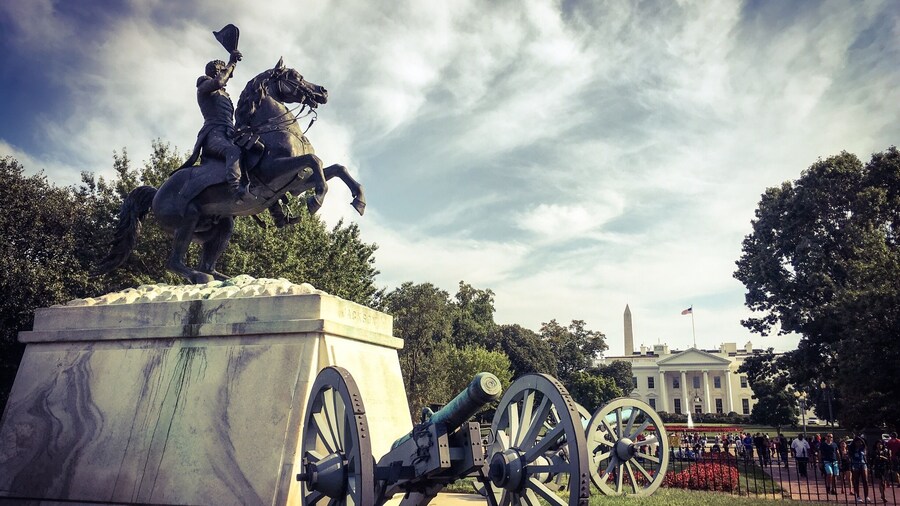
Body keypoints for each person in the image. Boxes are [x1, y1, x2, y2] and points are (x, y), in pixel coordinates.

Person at [183, 49, 250, 203]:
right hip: (214, 135)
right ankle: (235, 189)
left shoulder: (224, 96)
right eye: (222, 69)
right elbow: (219, 81)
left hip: (229, 134)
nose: (225, 71)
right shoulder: (204, 86)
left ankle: (274, 206)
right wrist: (232, 63)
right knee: (232, 150)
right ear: (216, 71)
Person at [850, 436, 871, 503]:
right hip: (855, 465)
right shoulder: (852, 449)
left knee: (865, 480)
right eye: (857, 442)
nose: (859, 443)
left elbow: (865, 455)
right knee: (856, 481)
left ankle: (866, 496)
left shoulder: (863, 448)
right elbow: (850, 457)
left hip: (863, 464)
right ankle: (858, 496)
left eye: (860, 442)